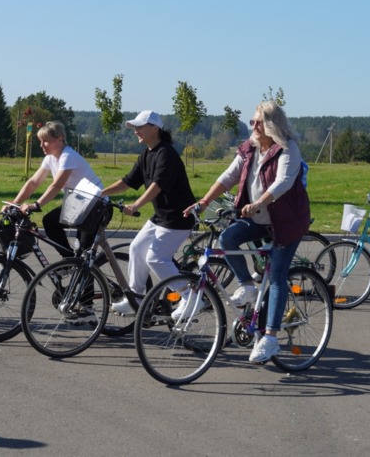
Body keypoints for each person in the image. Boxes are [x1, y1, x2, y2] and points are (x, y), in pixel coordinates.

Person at [183, 101, 310, 363]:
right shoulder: (249, 148)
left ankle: (270, 339)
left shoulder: (287, 147)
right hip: (259, 219)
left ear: (272, 124)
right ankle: (247, 286)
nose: (254, 126)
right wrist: (203, 202)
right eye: (252, 122)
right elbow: (228, 177)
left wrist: (259, 202)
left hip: (286, 221)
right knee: (227, 237)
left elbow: (283, 182)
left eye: (259, 122)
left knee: (277, 276)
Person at [102, 110, 196, 315]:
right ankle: (135, 299)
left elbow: (157, 185)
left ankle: (190, 296)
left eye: (139, 127)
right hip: (161, 217)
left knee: (156, 259)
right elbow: (128, 181)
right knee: (136, 248)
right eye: (134, 128)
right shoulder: (146, 154)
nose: (135, 131)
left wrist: (136, 205)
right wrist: (101, 193)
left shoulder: (166, 154)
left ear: (155, 128)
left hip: (179, 218)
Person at [10, 121, 102, 256]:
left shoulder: (68, 156)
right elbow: (34, 182)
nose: (41, 145)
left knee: (83, 258)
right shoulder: (50, 158)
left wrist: (36, 205)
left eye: (45, 141)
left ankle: (73, 262)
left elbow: (57, 185)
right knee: (50, 221)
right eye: (40, 141)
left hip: (96, 206)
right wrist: (14, 203)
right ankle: (68, 260)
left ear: (60, 139)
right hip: (80, 204)